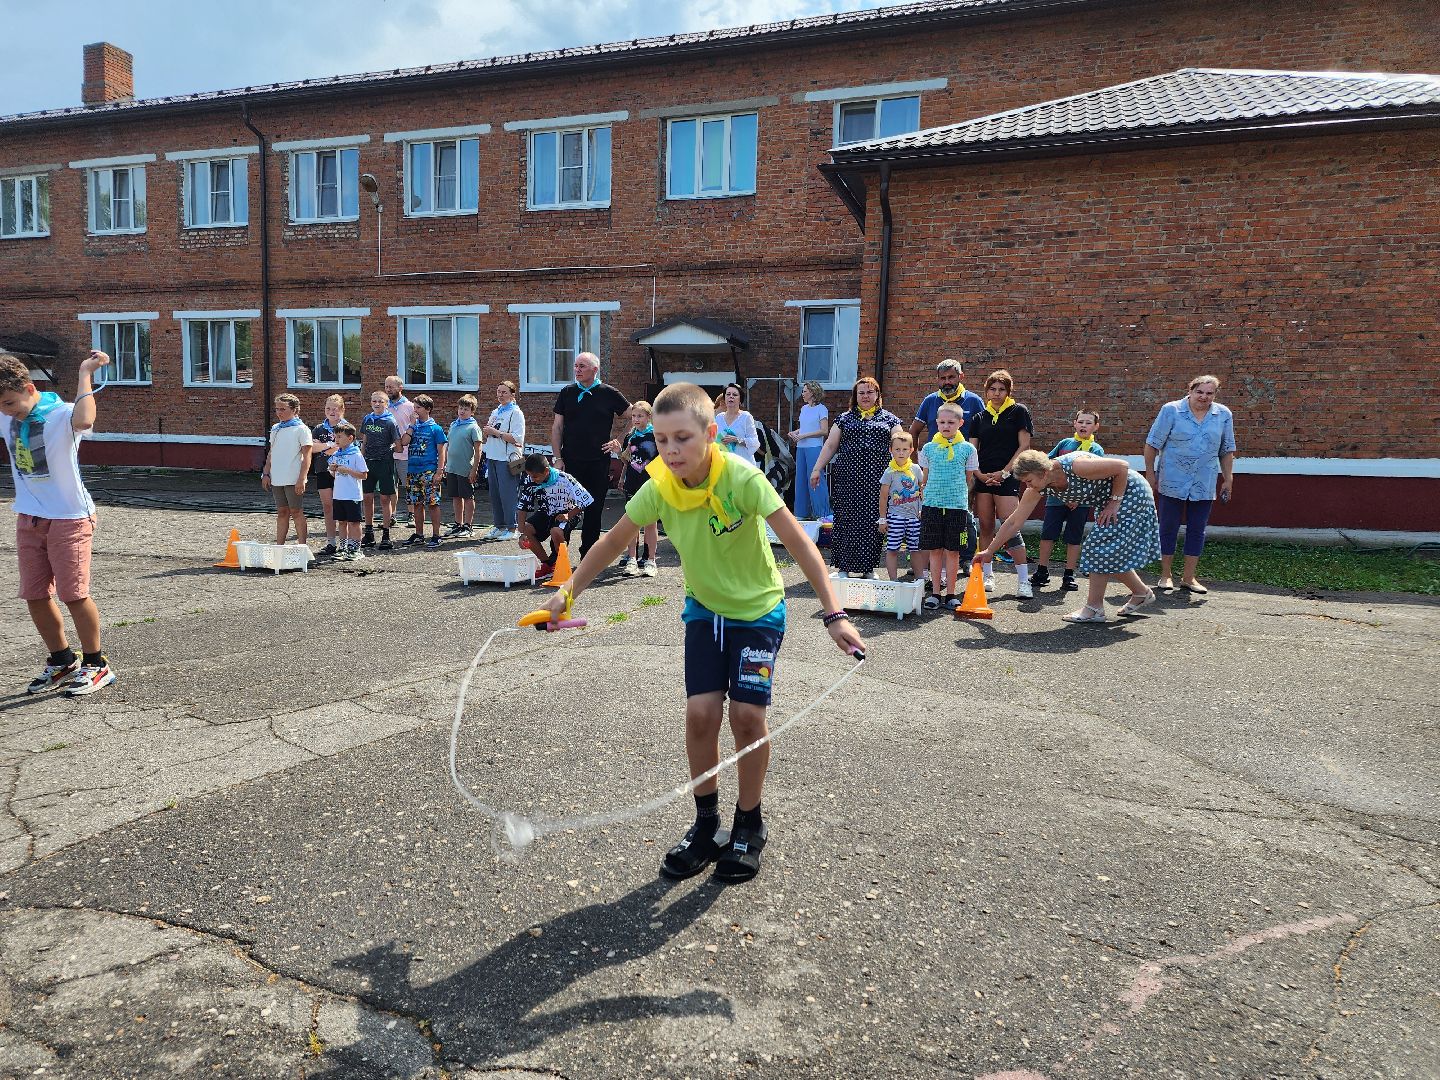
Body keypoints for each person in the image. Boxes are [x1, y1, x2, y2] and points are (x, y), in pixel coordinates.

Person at [543, 382, 865, 884]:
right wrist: (567, 593)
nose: (671, 450)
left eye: (683, 438)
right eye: (662, 439)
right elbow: (611, 542)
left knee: (747, 717)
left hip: (758, 612)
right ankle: (706, 823)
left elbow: (801, 544)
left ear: (711, 434)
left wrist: (834, 614)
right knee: (700, 715)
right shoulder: (658, 486)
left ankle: (749, 822)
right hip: (704, 613)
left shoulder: (742, 477)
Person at [0, 348, 117, 696]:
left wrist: (85, 373)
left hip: (70, 517)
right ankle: (62, 660)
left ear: (30, 388)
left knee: (73, 594)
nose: (6, 411)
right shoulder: (8, 416)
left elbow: (85, 420)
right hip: (30, 517)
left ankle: (96, 664)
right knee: (35, 595)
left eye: (9, 402)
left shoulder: (61, 413)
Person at [979, 448, 1161, 623]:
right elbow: (1013, 522)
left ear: (1043, 472)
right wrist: (989, 551)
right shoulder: (1039, 487)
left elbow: (1122, 467)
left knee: (1098, 548)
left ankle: (1094, 609)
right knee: (1108, 552)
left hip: (1130, 494)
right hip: (1108, 500)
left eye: (1029, 480)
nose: (1028, 485)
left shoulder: (1075, 466)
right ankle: (1141, 593)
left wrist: (1114, 503)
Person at [1144, 375, 1237, 595]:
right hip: (1172, 479)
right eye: (1199, 392)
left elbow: (1227, 450)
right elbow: (1152, 444)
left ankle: (1188, 577)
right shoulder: (1171, 410)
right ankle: (1165, 575)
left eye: (1209, 393)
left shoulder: (1223, 415)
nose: (1204, 397)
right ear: (1190, 390)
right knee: (1168, 527)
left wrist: (1228, 478)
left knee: (1197, 529)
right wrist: (1150, 474)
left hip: (1204, 482)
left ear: (1215, 394)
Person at [810, 376, 902, 577]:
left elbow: (901, 444)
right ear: (855, 396)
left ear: (877, 395)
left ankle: (868, 568)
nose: (865, 396)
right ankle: (844, 567)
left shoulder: (890, 419)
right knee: (846, 521)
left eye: (870, 392)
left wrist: (906, 473)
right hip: (848, 479)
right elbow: (830, 445)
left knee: (873, 523)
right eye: (861, 392)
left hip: (878, 481)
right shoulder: (844, 419)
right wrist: (817, 469)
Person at [910, 358, 985, 587]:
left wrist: (972, 468)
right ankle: (931, 569)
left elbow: (984, 434)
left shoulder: (974, 400)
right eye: (942, 378)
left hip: (962, 470)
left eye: (951, 377)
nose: (947, 382)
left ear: (961, 377)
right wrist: (917, 462)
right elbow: (914, 430)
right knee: (933, 526)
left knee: (965, 519)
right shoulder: (930, 401)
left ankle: (965, 559)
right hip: (935, 473)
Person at [551, 351, 629, 560]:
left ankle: (589, 557)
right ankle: (558, 557)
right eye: (576, 366)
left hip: (598, 463)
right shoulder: (567, 392)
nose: (577, 370)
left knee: (594, 510)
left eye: (582, 366)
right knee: (564, 508)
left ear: (595, 369)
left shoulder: (608, 393)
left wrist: (619, 439)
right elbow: (557, 427)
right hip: (570, 461)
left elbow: (635, 414)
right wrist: (557, 458)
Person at [968, 370, 1033, 598]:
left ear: (1008, 392)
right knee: (986, 526)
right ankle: (987, 575)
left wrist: (1005, 473)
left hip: (1007, 477)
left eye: (1001, 389)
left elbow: (1024, 445)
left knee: (1010, 527)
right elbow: (971, 450)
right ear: (986, 391)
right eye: (992, 389)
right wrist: (979, 474)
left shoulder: (1019, 412)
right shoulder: (978, 417)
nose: (996, 393)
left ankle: (1024, 581)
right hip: (984, 478)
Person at [916, 401, 979, 610]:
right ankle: (935, 593)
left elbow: (968, 478)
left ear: (960, 423)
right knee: (935, 550)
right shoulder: (928, 448)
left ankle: (951, 594)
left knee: (953, 551)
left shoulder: (968, 449)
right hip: (932, 505)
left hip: (956, 507)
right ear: (936, 423)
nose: (946, 426)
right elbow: (925, 477)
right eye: (942, 422)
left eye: (951, 422)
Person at [1033, 408, 1104, 591]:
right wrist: (1062, 494)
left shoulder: (1096, 450)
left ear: (1096, 427)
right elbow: (1048, 465)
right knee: (1048, 534)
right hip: (1056, 499)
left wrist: (1078, 498)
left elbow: (1096, 477)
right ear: (1074, 423)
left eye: (1088, 423)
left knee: (1074, 538)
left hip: (1080, 503)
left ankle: (1069, 574)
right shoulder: (1064, 444)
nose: (1083, 425)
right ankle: (1042, 570)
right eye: (1080, 422)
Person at [516, 453, 595, 578]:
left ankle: (561, 565)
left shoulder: (565, 479)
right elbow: (523, 506)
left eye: (535, 476)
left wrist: (568, 515)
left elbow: (586, 500)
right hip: (546, 511)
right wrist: (521, 533)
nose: (532, 479)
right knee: (526, 529)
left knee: (556, 531)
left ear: (546, 471)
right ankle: (547, 564)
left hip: (567, 511)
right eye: (530, 475)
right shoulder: (529, 480)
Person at [262, 393, 313, 547]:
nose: (279, 412)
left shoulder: (302, 429)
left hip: (293, 477)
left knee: (296, 511)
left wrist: (302, 478)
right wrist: (266, 472)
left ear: (294, 410)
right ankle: (279, 547)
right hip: (277, 477)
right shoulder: (275, 428)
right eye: (277, 409)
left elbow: (307, 456)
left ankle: (302, 547)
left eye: (283, 409)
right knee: (282, 512)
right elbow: (272, 452)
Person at [876, 429, 925, 583]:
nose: (901, 453)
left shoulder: (916, 469)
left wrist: (923, 509)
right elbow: (883, 496)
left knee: (916, 549)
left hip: (914, 517)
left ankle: (920, 579)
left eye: (904, 449)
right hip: (895, 516)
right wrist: (882, 519)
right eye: (897, 449)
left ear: (911, 450)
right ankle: (893, 581)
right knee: (892, 549)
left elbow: (923, 489)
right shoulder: (889, 472)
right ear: (891, 450)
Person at [618, 400, 661, 577]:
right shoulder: (630, 436)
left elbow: (663, 459)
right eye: (634, 416)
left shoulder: (656, 435)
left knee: (650, 522)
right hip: (632, 482)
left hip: (651, 483)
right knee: (632, 522)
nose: (636, 419)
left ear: (649, 417)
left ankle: (651, 561)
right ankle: (632, 560)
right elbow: (626, 460)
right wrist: (622, 477)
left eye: (640, 416)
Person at [481, 380, 525, 540]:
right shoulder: (496, 411)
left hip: (507, 459)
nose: (500, 395)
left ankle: (512, 528)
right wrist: (487, 432)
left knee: (509, 494)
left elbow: (517, 438)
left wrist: (496, 433)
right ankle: (499, 526)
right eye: (499, 392)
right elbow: (490, 432)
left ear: (512, 394)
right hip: (492, 456)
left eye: (504, 392)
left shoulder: (516, 413)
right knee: (495, 494)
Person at [404, 394, 447, 549]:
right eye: (414, 407)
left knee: (433, 503)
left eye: (418, 407)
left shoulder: (436, 429)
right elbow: (404, 442)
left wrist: (439, 471)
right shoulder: (413, 427)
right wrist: (411, 425)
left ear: (428, 409)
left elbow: (441, 451)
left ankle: (436, 535)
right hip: (413, 470)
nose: (415, 410)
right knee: (416, 503)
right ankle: (419, 534)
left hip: (429, 471)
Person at [359, 390, 400, 551]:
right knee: (367, 497)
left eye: (380, 401)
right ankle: (368, 532)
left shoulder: (390, 421)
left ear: (386, 404)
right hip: (369, 462)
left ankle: (386, 535)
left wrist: (390, 449)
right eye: (374, 401)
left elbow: (398, 444)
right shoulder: (367, 419)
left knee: (384, 499)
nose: (377, 404)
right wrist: (361, 460)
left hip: (384, 463)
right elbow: (364, 441)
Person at [787, 380, 831, 520]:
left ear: (812, 392)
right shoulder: (804, 409)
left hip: (814, 448)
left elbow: (824, 431)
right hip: (801, 448)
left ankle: (823, 513)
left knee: (816, 479)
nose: (802, 394)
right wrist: (795, 432)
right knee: (800, 480)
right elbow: (805, 428)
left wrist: (804, 436)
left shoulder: (822, 409)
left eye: (805, 391)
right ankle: (801, 513)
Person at [326, 421, 368, 561]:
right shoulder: (336, 454)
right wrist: (332, 469)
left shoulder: (356, 454)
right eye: (335, 437)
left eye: (340, 437)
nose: (336, 439)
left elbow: (364, 475)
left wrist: (348, 470)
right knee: (342, 522)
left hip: (352, 495)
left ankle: (355, 548)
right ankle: (343, 547)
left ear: (350, 438)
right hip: (339, 494)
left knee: (354, 522)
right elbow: (334, 475)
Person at [311, 394, 346, 558]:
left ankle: (345, 543)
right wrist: (330, 445)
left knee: (342, 506)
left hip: (341, 471)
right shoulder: (319, 429)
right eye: (328, 408)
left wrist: (324, 447)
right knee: (327, 507)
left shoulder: (346, 428)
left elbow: (342, 448)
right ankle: (331, 542)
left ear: (342, 410)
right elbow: (311, 448)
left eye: (335, 409)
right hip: (322, 470)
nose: (331, 412)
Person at [444, 394, 482, 538]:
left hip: (465, 468)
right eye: (460, 408)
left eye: (466, 409)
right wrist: (445, 464)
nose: (462, 411)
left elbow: (478, 451)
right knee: (456, 496)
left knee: (467, 496)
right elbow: (449, 446)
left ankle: (468, 526)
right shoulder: (454, 425)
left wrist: (474, 470)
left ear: (472, 411)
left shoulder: (473, 427)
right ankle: (458, 524)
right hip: (452, 467)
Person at [384, 376, 417, 524]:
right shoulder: (385, 406)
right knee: (391, 487)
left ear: (400, 388)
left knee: (409, 485)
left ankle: (412, 515)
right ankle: (392, 515)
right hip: (388, 454)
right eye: (386, 387)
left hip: (406, 453)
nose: (388, 389)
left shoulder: (410, 406)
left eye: (391, 387)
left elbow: (415, 427)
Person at [714, 382, 761, 466]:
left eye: (735, 395)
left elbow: (755, 443)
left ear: (740, 400)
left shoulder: (746, 417)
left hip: (743, 465)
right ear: (724, 399)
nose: (731, 396)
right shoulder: (719, 418)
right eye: (728, 394)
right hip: (725, 465)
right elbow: (714, 441)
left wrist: (736, 439)